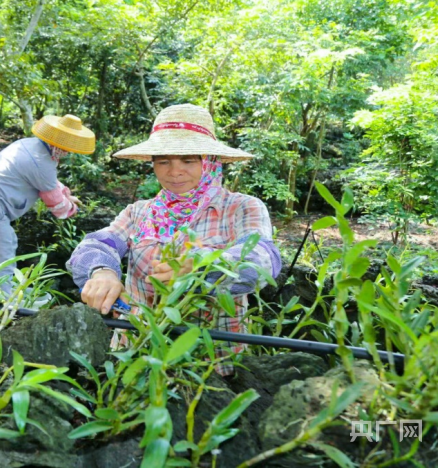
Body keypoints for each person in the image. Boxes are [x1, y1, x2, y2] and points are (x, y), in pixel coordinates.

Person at [67, 104, 281, 375]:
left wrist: (204, 267)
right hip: (136, 351)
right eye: (163, 161)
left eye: (188, 160)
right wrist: (101, 272)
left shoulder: (241, 208)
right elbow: (98, 243)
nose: (174, 172)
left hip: (211, 359)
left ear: (209, 160)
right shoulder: (139, 212)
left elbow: (263, 260)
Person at [0, 114, 95, 294]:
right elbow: (55, 202)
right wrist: (71, 208)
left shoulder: (27, 144)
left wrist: (66, 195)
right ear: (58, 144)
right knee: (1, 254)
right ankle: (2, 298)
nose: (67, 152)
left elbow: (48, 183)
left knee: (8, 243)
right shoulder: (42, 162)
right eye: (66, 148)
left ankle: (7, 289)